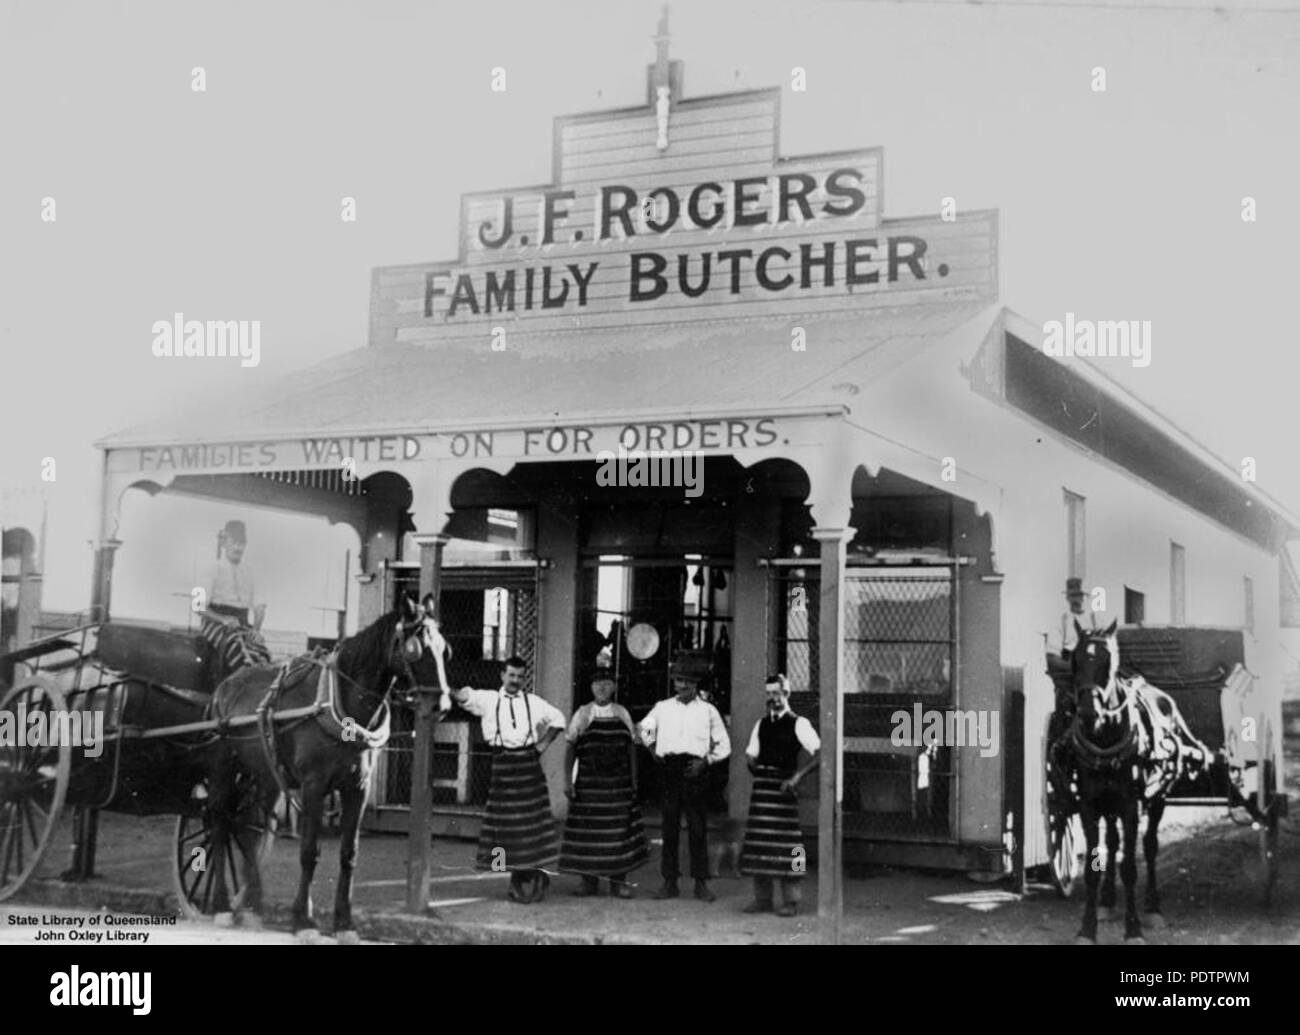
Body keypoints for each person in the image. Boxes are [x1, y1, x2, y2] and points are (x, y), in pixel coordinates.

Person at [451, 656, 566, 904]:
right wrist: (439, 682)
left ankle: (534, 876)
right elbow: (462, 697)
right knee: (506, 830)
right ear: (502, 675)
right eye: (511, 675)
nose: (515, 681)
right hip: (503, 769)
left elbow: (559, 720)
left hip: (529, 769)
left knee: (532, 828)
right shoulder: (488, 700)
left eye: (520, 676)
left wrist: (541, 745)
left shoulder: (534, 703)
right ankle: (517, 877)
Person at [638, 665, 730, 902]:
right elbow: (644, 729)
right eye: (679, 680)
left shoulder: (708, 711)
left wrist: (705, 761)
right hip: (670, 770)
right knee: (669, 828)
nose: (683, 685)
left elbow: (724, 745)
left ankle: (701, 883)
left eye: (689, 680)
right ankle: (670, 882)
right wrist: (652, 750)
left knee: (698, 828)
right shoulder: (662, 708)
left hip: (695, 771)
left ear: (696, 683)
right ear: (674, 682)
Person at [558, 674, 649, 898]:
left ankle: (618, 883)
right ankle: (588, 883)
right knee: (589, 834)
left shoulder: (622, 713)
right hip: (590, 785)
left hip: (617, 786)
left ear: (614, 687)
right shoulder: (582, 713)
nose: (602, 687)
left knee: (619, 834)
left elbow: (631, 749)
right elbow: (570, 747)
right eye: (597, 683)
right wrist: (567, 780)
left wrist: (634, 780)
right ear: (591, 686)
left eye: (607, 683)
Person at [739, 674, 821, 917]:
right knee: (758, 844)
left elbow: (820, 752)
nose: (772, 698)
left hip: (784, 791)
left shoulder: (799, 723)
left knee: (790, 847)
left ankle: (791, 902)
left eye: (776, 693)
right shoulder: (761, 724)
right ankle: (762, 900)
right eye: (768, 694)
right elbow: (751, 755)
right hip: (762, 792)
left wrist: (796, 778)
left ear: (787, 693)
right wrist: (754, 764)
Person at [205, 520, 264, 630]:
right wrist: (223, 619)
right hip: (216, 624)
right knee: (234, 644)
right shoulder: (211, 568)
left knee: (257, 646)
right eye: (233, 542)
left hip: (242, 625)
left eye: (241, 543)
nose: (237, 548)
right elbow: (197, 605)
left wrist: (256, 631)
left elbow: (260, 606)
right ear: (224, 543)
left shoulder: (251, 572)